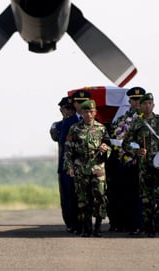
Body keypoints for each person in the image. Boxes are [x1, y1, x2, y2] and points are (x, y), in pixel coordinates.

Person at [126, 93, 159, 237]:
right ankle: (149, 227)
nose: (147, 106)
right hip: (145, 165)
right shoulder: (137, 124)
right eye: (144, 103)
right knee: (146, 198)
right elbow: (126, 143)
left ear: (153, 105)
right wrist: (136, 151)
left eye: (150, 103)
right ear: (140, 106)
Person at [64, 100, 111, 237]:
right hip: (81, 167)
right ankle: (86, 227)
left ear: (95, 112)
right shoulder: (74, 129)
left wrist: (105, 149)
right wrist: (69, 166)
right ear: (82, 113)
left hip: (98, 168)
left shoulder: (101, 128)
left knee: (100, 197)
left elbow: (108, 145)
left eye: (91, 111)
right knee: (83, 198)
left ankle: (97, 227)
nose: (89, 114)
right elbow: (68, 150)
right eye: (86, 112)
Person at [108, 86, 146, 234]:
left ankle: (149, 223)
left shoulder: (154, 120)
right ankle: (132, 223)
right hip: (128, 163)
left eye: (140, 99)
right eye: (134, 99)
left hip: (147, 164)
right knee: (129, 194)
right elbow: (117, 141)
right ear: (129, 101)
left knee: (149, 195)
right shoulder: (122, 121)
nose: (137, 102)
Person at [59, 89, 91, 234]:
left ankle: (87, 224)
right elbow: (65, 146)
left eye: (85, 102)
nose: (82, 105)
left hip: (89, 167)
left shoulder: (95, 122)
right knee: (71, 196)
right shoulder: (69, 122)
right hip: (72, 167)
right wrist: (68, 166)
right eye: (79, 103)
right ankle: (74, 224)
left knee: (87, 196)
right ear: (75, 105)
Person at [49, 96, 76, 232]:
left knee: (76, 196)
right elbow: (55, 136)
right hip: (64, 165)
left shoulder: (78, 122)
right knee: (66, 197)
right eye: (66, 109)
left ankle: (77, 222)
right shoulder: (58, 125)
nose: (69, 111)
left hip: (77, 166)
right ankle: (70, 222)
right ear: (61, 110)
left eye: (71, 108)